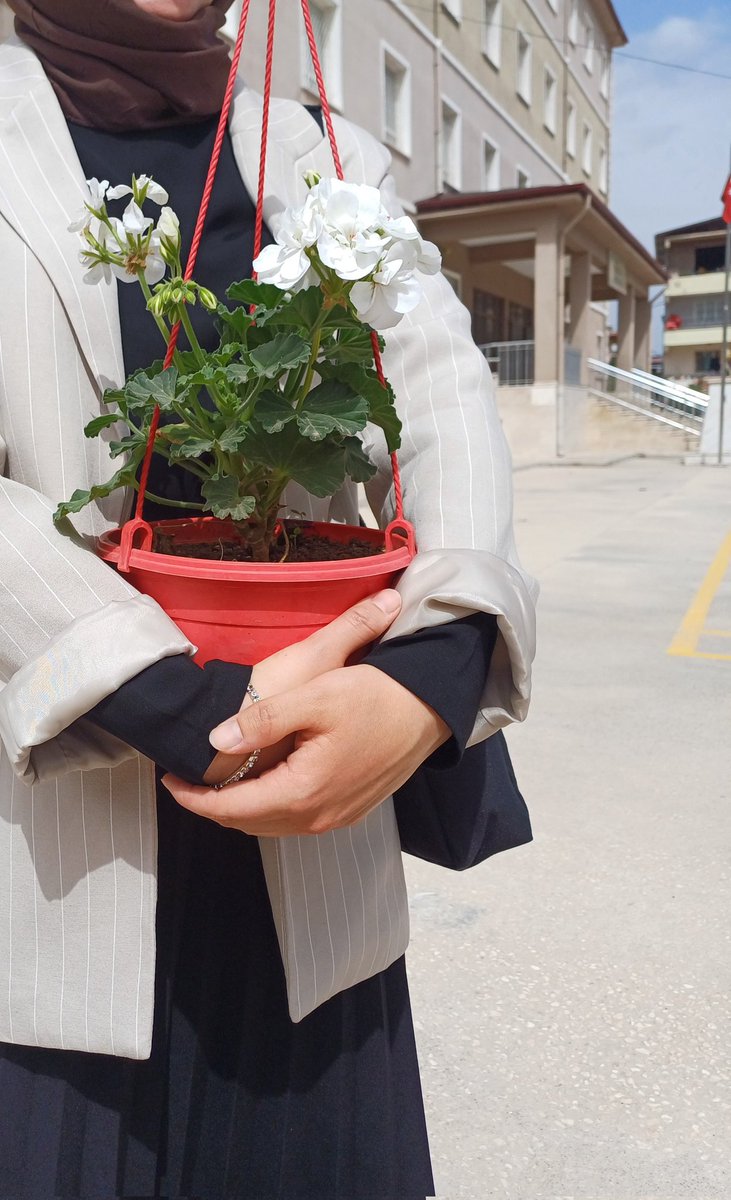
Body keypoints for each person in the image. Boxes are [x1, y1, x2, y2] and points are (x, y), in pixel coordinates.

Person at [0, 1, 537, 1196]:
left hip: (321, 846)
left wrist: (428, 677)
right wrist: (191, 705)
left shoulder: (311, 147)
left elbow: (439, 388)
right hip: (48, 868)